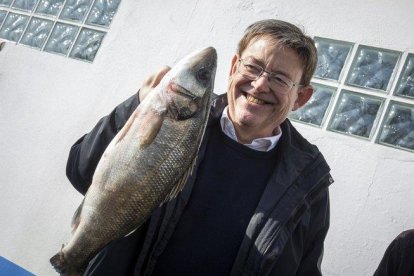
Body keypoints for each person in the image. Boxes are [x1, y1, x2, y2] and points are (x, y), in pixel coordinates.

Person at [66, 19, 334, 275]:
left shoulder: (307, 182)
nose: (260, 84)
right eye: (252, 67)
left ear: (301, 97)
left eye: (279, 79)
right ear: (233, 68)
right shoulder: (174, 120)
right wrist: (137, 107)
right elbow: (80, 172)